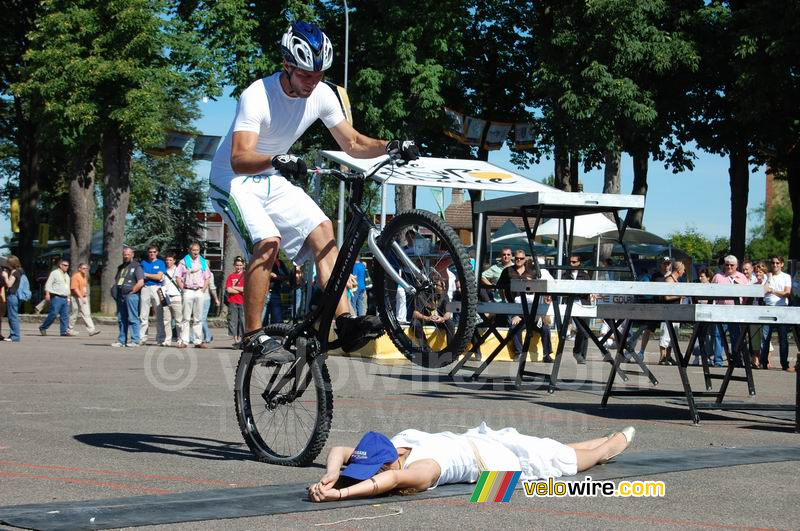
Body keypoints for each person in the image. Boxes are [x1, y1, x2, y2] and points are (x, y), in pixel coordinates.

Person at [208, 21, 418, 363]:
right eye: (306, 74)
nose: (313, 82)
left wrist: (390, 145)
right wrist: (277, 158)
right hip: (232, 178)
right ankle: (253, 335)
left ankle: (345, 321)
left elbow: (352, 143)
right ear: (287, 66)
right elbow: (240, 157)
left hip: (272, 175)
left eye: (319, 74)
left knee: (324, 232)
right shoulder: (257, 94)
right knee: (267, 242)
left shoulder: (322, 94)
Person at [307, 423, 635, 503]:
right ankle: (603, 442)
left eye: (375, 469)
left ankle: (611, 445)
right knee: (557, 450)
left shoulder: (424, 468)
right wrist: (333, 473)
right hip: (479, 442)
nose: (373, 474)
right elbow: (339, 449)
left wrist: (339, 494)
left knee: (572, 462)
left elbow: (390, 482)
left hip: (499, 465)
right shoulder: (391, 447)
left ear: (392, 460)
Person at [497, 250, 553, 362]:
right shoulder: (507, 271)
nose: (518, 260)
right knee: (514, 327)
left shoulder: (531, 273)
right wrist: (504, 299)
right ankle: (519, 353)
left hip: (532, 310)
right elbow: (499, 286)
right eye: (517, 258)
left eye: (521, 258)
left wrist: (542, 311)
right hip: (515, 308)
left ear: (525, 259)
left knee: (545, 328)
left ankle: (547, 354)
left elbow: (538, 292)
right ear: (514, 258)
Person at [710, 255, 749, 367]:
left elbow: (746, 296)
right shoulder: (718, 277)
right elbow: (711, 293)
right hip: (720, 310)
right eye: (727, 264)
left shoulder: (742, 278)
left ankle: (737, 360)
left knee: (736, 336)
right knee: (718, 336)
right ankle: (718, 360)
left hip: (736, 311)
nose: (729, 267)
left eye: (732, 265)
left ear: (736, 266)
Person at [760, 256, 794, 372]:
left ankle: (784, 363)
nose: (775, 265)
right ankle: (763, 361)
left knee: (783, 337)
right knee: (765, 337)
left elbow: (787, 293)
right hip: (768, 308)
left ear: (782, 264)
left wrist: (773, 290)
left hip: (782, 308)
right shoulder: (767, 276)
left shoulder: (786, 277)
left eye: (777, 263)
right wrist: (769, 279)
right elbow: (763, 291)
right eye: (773, 263)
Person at [175, 242, 210, 349]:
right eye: (194, 250)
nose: (195, 252)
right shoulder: (183, 262)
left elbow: (207, 277)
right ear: (189, 250)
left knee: (198, 318)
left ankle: (198, 340)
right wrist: (183, 288)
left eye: (197, 250)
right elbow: (177, 276)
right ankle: (184, 341)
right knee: (186, 317)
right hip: (188, 291)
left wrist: (203, 289)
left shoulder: (203, 262)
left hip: (199, 291)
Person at [111, 247, 144, 347]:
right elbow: (117, 280)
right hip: (121, 296)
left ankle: (135, 340)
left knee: (133, 318)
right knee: (121, 319)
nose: (126, 256)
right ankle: (121, 340)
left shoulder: (137, 266)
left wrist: (132, 292)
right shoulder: (121, 267)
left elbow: (140, 282)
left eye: (128, 254)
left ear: (132, 255)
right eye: (124, 254)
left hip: (131, 296)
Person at [409, 278, 454, 351]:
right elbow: (415, 313)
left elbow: (448, 312)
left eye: (445, 285)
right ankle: (426, 348)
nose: (444, 288)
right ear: (434, 286)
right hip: (425, 318)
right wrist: (428, 318)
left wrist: (443, 318)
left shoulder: (444, 295)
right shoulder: (422, 294)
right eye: (441, 285)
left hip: (439, 318)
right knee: (415, 324)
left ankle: (451, 349)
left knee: (450, 323)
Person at [657, 261, 685, 365]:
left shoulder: (676, 280)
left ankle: (668, 356)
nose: (684, 272)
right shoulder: (669, 280)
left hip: (675, 312)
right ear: (679, 269)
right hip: (668, 311)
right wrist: (680, 296)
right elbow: (666, 296)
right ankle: (662, 357)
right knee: (665, 335)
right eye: (683, 269)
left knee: (673, 336)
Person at [139, 245, 167, 346]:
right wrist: (151, 276)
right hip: (145, 288)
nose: (152, 254)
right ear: (148, 253)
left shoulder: (160, 263)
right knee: (143, 314)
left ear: (157, 253)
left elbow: (159, 277)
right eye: (150, 252)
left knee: (159, 315)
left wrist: (146, 275)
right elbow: (140, 276)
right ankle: (142, 338)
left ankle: (160, 338)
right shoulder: (143, 263)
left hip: (156, 288)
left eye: (154, 252)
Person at [566, 255, 591, 364]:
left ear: (579, 262)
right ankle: (577, 351)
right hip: (572, 302)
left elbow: (587, 290)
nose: (571, 264)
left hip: (583, 303)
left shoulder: (584, 275)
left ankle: (582, 356)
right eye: (570, 261)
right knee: (581, 329)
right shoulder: (566, 274)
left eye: (574, 262)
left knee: (585, 331)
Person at [39, 259, 72, 337]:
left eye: (68, 265)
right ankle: (43, 327)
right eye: (65, 265)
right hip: (56, 297)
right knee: (53, 313)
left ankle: (64, 331)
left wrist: (69, 298)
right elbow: (48, 284)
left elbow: (68, 288)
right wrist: (47, 294)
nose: (67, 267)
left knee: (65, 316)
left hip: (65, 297)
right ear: (60, 265)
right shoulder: (54, 273)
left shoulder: (67, 276)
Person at [67, 262, 100, 337]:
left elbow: (83, 286)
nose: (85, 270)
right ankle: (69, 329)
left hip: (83, 297)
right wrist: (81, 297)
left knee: (87, 314)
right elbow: (74, 288)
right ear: (79, 269)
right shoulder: (76, 276)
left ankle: (91, 330)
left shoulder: (84, 276)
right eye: (83, 268)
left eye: (86, 268)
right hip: (76, 297)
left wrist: (84, 295)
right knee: (74, 314)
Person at [161, 252, 183, 347]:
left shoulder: (177, 270)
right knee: (166, 320)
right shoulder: (163, 271)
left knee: (178, 321)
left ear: (174, 261)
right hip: (166, 297)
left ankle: (180, 339)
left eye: (170, 260)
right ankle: (168, 340)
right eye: (167, 260)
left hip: (176, 297)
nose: (168, 262)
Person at [1, 255, 24, 342]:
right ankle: (13, 334)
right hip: (13, 296)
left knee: (13, 316)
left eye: (8, 263)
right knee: (12, 316)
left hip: (12, 296)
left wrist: (6, 276)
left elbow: (9, 284)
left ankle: (15, 336)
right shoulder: (18, 271)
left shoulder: (15, 272)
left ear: (12, 263)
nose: (7, 264)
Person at [225, 256, 246, 348]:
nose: (238, 267)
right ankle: (236, 340)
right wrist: (240, 290)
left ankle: (242, 339)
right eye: (237, 265)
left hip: (242, 302)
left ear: (243, 265)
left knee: (242, 321)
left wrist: (234, 287)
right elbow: (229, 290)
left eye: (240, 265)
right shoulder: (231, 276)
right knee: (233, 321)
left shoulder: (246, 276)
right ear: (234, 265)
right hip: (232, 301)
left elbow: (246, 289)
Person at [262, 257, 288, 327]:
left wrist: (275, 276)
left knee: (277, 318)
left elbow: (286, 276)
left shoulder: (278, 262)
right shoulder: (261, 261)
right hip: (263, 293)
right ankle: (262, 335)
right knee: (263, 318)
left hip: (275, 292)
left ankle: (276, 335)